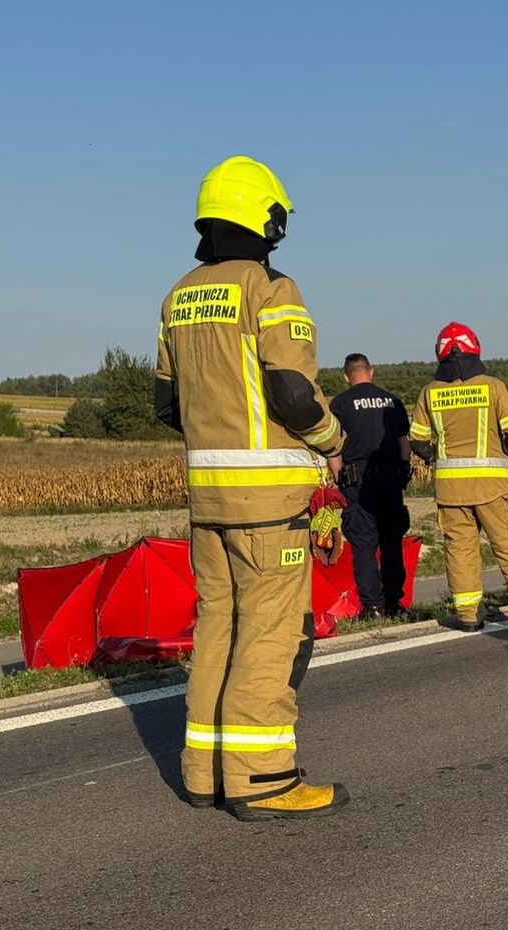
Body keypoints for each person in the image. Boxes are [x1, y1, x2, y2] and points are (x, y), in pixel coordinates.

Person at [155, 155, 349, 820]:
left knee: (218, 629)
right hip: (270, 503)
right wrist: (330, 441)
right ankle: (264, 777)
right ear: (266, 218)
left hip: (206, 499)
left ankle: (205, 771)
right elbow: (291, 391)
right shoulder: (273, 289)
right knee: (269, 634)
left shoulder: (178, 295)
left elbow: (166, 405)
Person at [409, 323, 508, 631]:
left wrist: (439, 458)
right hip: (492, 487)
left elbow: (418, 441)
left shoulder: (429, 392)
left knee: (460, 551)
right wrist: (506, 453)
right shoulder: (492, 386)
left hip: (450, 491)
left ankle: (469, 616)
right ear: (474, 348)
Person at [329, 353, 412, 618]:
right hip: (390, 479)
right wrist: (403, 470)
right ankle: (394, 603)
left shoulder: (340, 403)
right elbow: (404, 442)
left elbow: (332, 447)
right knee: (391, 541)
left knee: (364, 544)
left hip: (357, 481)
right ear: (371, 371)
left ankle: (372, 606)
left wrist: (338, 478)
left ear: (346, 376)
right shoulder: (393, 401)